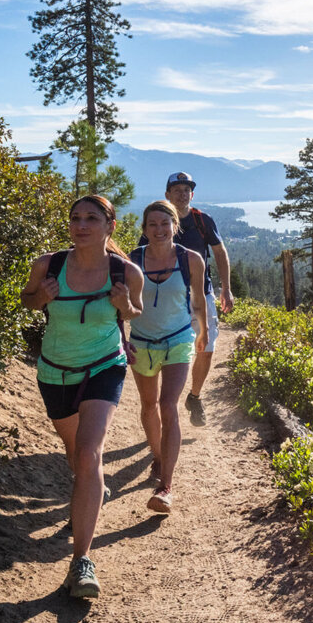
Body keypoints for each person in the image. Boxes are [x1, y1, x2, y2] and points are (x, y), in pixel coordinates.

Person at [21, 195, 143, 599]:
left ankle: (81, 562)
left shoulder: (125, 271)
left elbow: (134, 312)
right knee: (76, 456)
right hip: (54, 372)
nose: (81, 225)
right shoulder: (48, 265)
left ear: (110, 226)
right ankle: (88, 490)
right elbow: (27, 300)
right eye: (75, 218)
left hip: (104, 366)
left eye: (92, 218)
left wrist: (124, 304)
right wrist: (43, 298)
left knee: (90, 452)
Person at [129, 200, 208, 513]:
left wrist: (201, 333)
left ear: (176, 225)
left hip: (178, 340)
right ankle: (158, 457)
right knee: (148, 406)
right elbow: (120, 305)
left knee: (167, 404)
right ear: (145, 229)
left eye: (165, 224)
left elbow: (198, 301)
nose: (159, 230)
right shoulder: (132, 260)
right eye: (152, 225)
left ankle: (166, 486)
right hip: (142, 343)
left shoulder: (191, 260)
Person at [165, 171, 234, 426]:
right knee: (171, 351)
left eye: (187, 190)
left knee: (205, 349)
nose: (182, 194)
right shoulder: (160, 221)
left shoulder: (202, 220)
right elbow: (142, 256)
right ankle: (168, 402)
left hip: (201, 294)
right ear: (167, 195)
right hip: (169, 296)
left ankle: (194, 396)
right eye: (177, 190)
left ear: (192, 194)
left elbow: (219, 251)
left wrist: (225, 288)